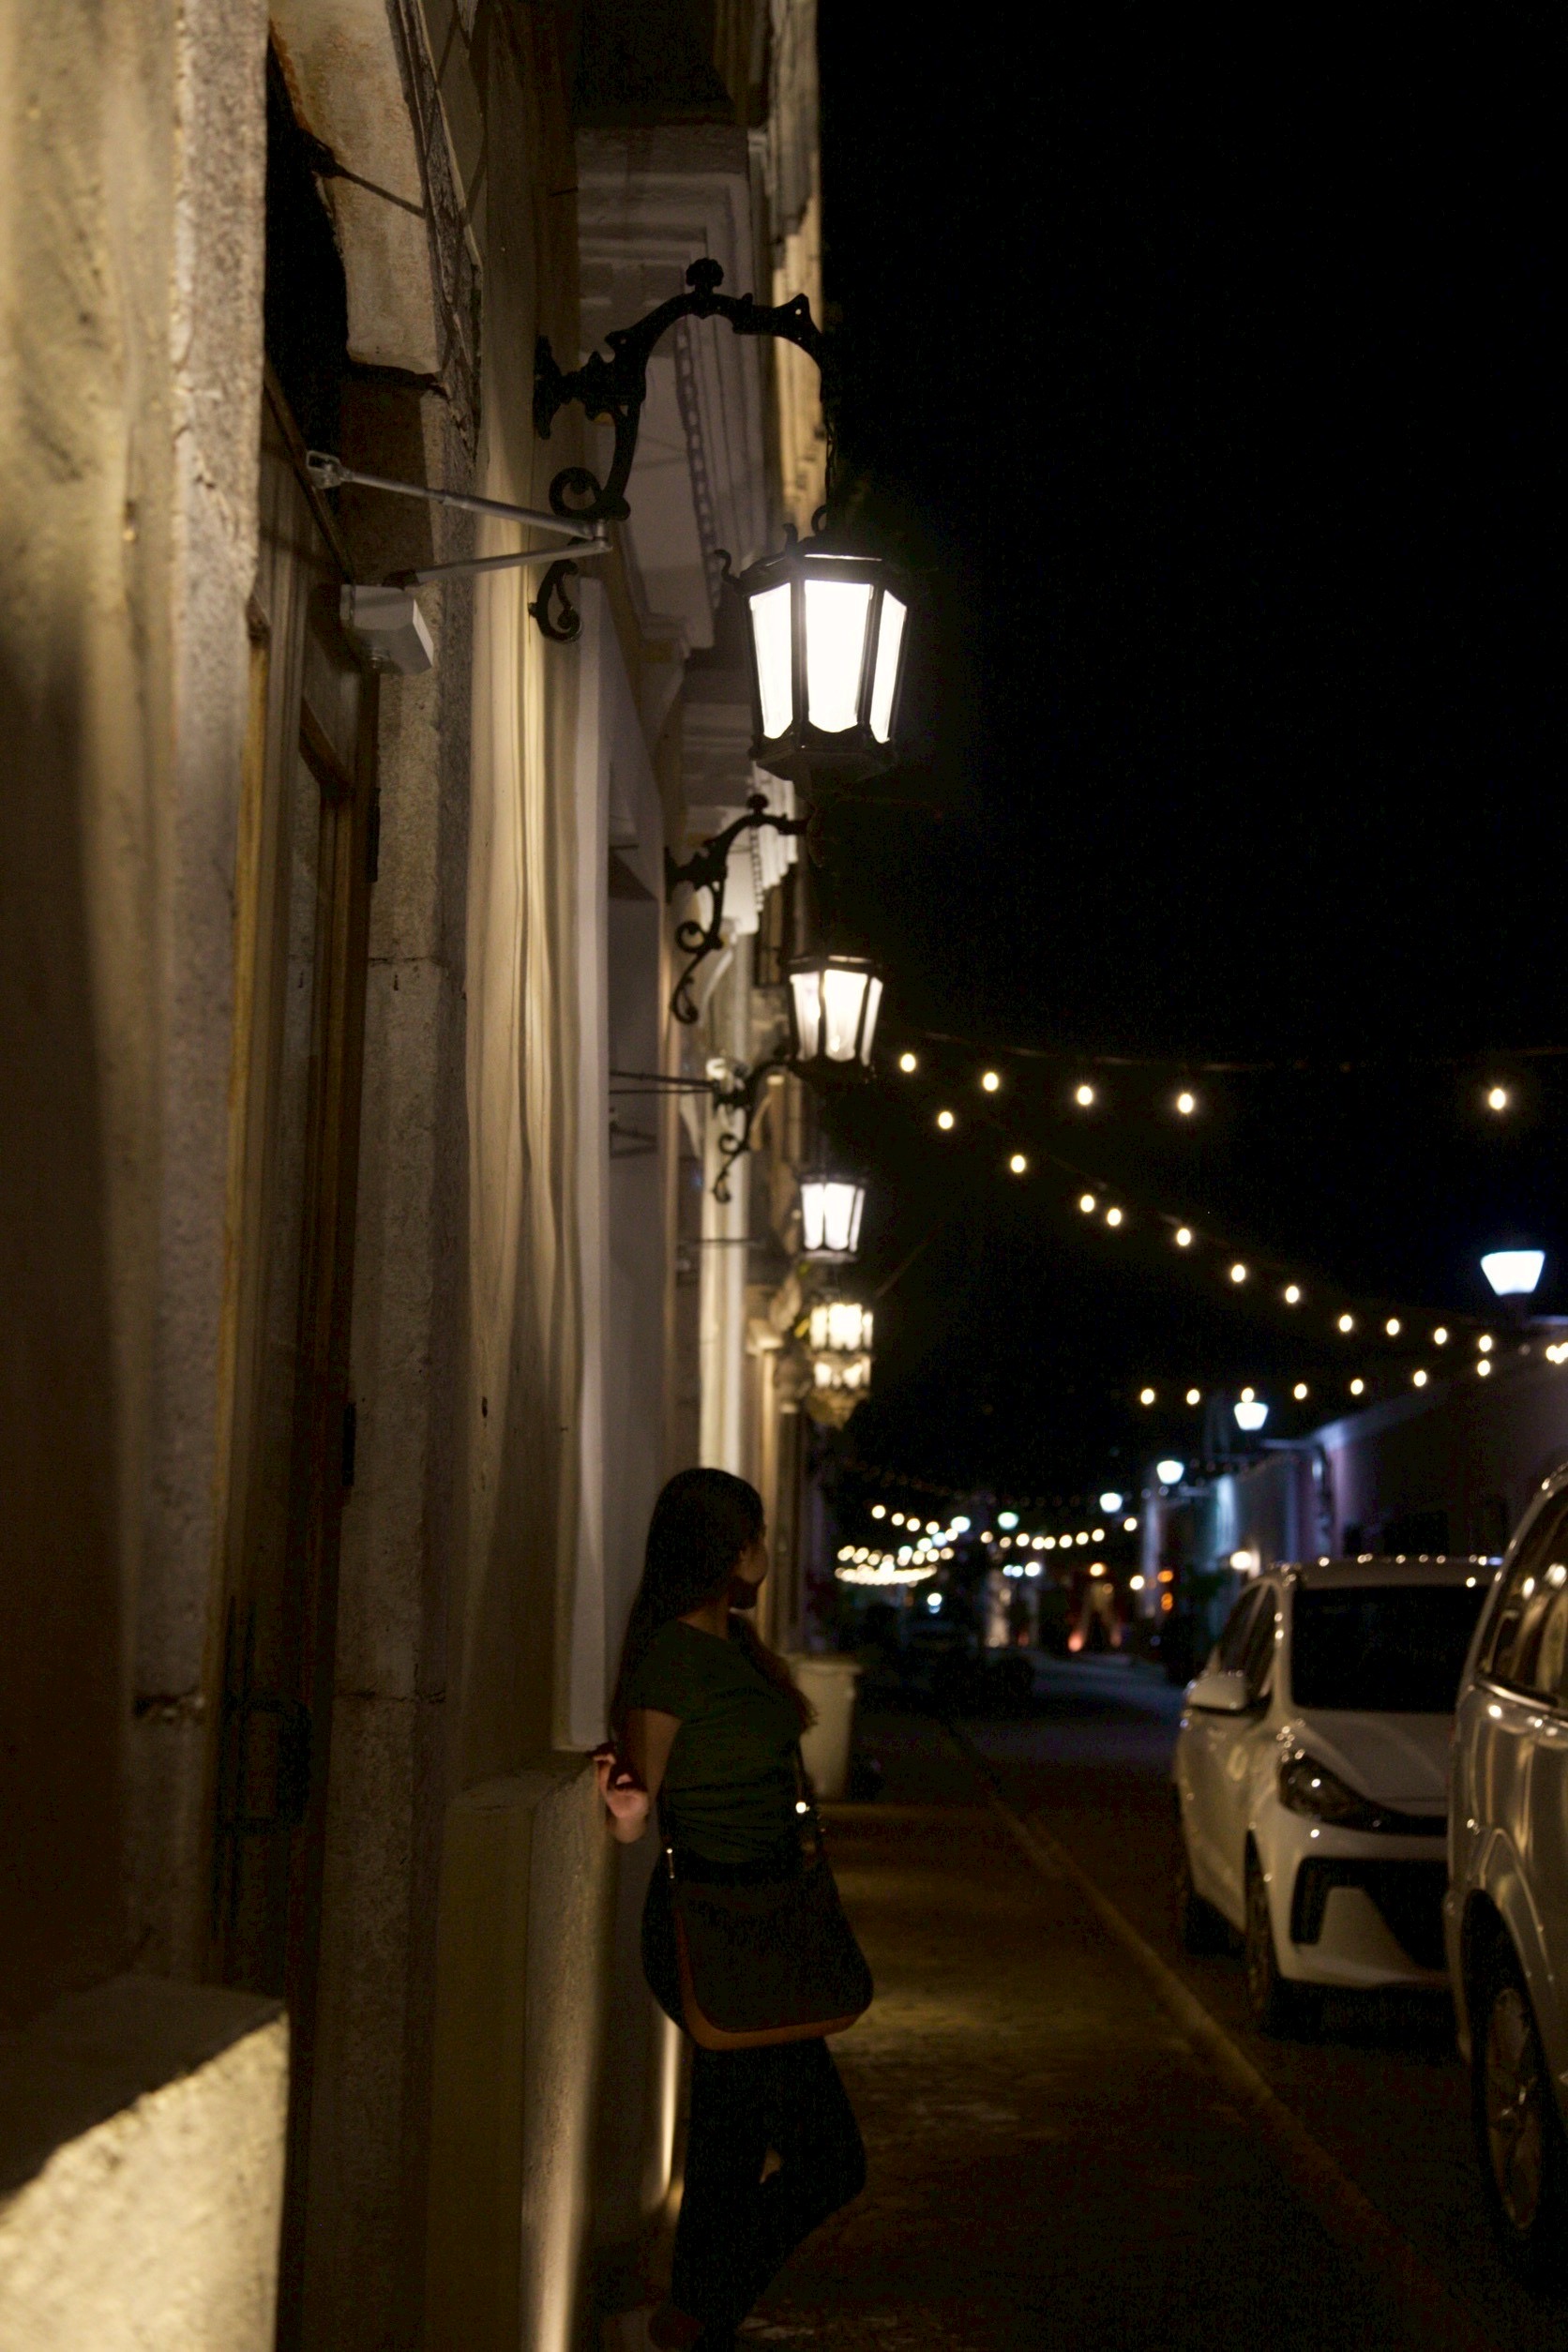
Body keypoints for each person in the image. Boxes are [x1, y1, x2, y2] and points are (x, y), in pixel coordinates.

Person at [596, 1467, 867, 2352]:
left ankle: (689, 2322)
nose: (765, 1550)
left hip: (770, 1919)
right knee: (829, 2159)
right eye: (756, 1535)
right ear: (726, 1550)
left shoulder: (736, 1648)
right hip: (714, 1927)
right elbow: (643, 1807)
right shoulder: (672, 1658)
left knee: (728, 2146)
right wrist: (626, 1812)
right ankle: (692, 2318)